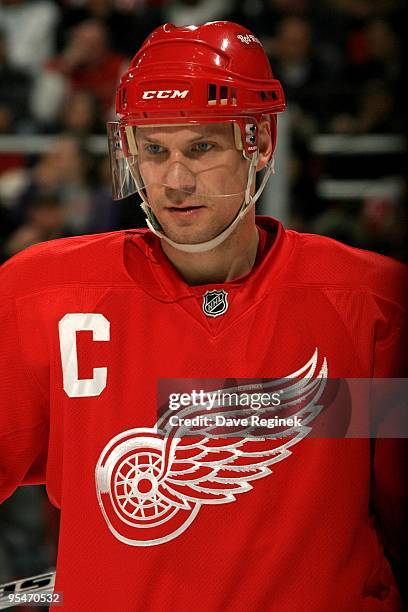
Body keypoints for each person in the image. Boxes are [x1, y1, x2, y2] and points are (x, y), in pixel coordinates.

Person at [0, 21, 407, 612]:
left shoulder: (372, 306)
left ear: (259, 144)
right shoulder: (44, 296)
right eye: (155, 151)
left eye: (201, 148)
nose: (175, 180)